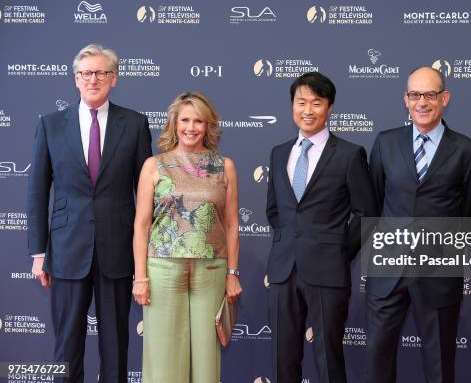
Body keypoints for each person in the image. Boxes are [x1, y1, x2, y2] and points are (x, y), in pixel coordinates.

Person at [27, 44, 152, 383]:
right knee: (66, 347)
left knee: (116, 348)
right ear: (75, 79)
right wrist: (39, 252)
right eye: (85, 73)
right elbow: (37, 192)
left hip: (118, 250)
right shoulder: (51, 125)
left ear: (113, 78)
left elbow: (146, 195)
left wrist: (146, 257)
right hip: (66, 250)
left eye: (101, 72)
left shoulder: (136, 124)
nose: (92, 79)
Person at [365, 67, 471, 383]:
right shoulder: (385, 143)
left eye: (430, 94)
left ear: (444, 98)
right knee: (377, 360)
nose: (422, 102)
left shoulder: (468, 151)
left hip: (438, 275)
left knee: (439, 365)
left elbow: (470, 215)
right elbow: (372, 205)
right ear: (405, 100)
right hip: (387, 272)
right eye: (415, 95)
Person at [266, 72, 377, 383]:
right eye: (301, 102)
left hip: (328, 270)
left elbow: (366, 213)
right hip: (282, 269)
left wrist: (339, 250)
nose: (308, 110)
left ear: (329, 108)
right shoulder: (278, 153)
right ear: (292, 106)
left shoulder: (349, 154)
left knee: (328, 358)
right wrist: (289, 240)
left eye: (317, 102)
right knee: (281, 356)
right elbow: (274, 210)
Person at [132, 91, 242, 383]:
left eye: (198, 121)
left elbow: (231, 225)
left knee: (206, 357)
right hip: (163, 270)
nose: (191, 127)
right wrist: (140, 278)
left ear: (208, 126)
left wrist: (232, 273)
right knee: (164, 358)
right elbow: (141, 225)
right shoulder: (154, 165)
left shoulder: (224, 166)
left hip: (211, 270)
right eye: (185, 120)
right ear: (174, 123)